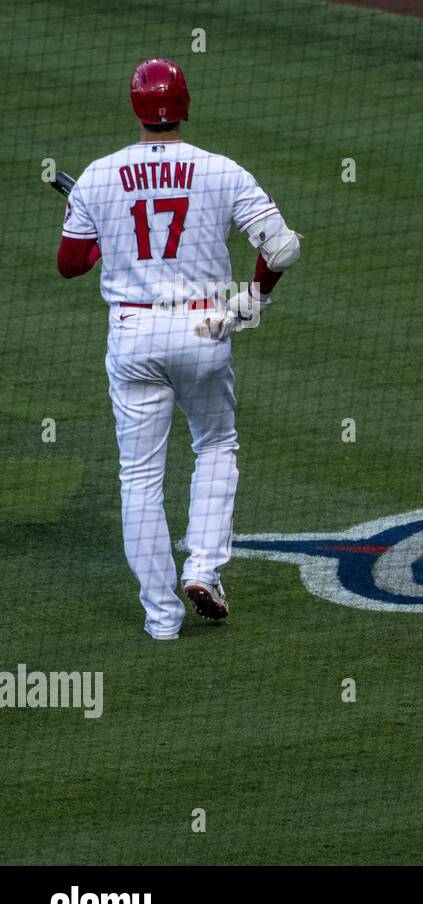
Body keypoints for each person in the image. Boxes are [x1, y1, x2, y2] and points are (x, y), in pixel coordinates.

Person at [57, 58, 301, 638]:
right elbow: (283, 248)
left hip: (134, 335)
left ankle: (161, 619)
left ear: (135, 108)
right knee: (216, 444)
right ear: (185, 106)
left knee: (139, 477)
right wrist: (252, 301)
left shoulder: (98, 175)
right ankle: (204, 570)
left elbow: (69, 265)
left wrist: (104, 251)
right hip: (204, 327)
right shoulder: (220, 170)